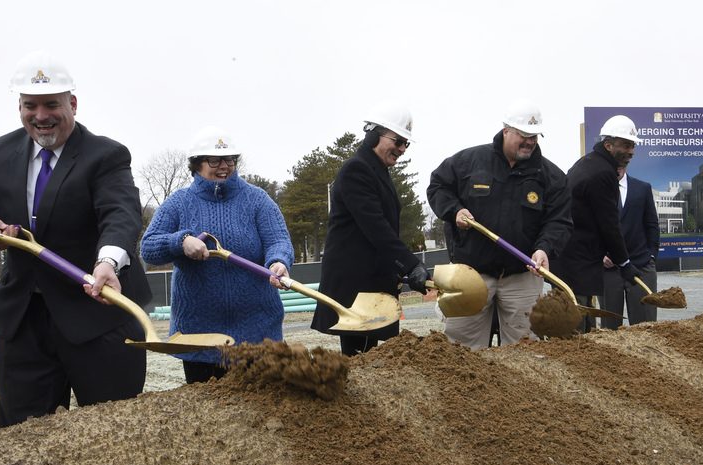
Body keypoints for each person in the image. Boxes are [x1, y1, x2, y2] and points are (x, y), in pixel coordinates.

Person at [0, 51, 152, 428]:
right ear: (19, 107)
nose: (41, 116)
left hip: (98, 315)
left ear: (72, 104)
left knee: (115, 433)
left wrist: (108, 261)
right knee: (22, 435)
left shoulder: (106, 155)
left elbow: (121, 214)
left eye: (52, 104)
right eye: (30, 105)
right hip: (24, 322)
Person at [140, 126, 294, 383]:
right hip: (199, 337)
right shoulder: (178, 203)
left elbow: (278, 239)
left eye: (230, 159)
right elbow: (148, 248)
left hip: (257, 333)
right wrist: (181, 241)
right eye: (214, 160)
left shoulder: (258, 200)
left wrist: (278, 261)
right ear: (197, 164)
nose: (224, 166)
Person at [427, 99, 572, 349]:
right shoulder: (468, 161)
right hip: (472, 275)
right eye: (523, 135)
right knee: (462, 349)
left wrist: (544, 248)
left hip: (522, 277)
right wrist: (455, 210)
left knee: (525, 348)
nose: (529, 142)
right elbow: (438, 186)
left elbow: (559, 220)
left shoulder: (551, 176)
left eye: (534, 136)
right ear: (506, 130)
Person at [310, 101, 429, 356]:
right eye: (397, 141)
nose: (401, 149)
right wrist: (411, 264)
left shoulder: (378, 170)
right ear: (375, 134)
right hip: (356, 286)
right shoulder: (358, 170)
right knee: (359, 359)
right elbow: (376, 228)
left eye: (406, 143)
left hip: (372, 282)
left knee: (370, 359)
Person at [550, 115, 644, 332]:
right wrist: (624, 263)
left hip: (570, 260)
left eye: (633, 146)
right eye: (626, 145)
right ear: (608, 145)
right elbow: (609, 223)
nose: (631, 152)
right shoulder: (602, 173)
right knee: (575, 324)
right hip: (576, 263)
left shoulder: (589, 163)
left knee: (578, 319)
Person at [600, 165, 660, 328]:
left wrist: (652, 256)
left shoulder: (642, 188)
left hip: (640, 267)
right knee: (609, 328)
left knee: (645, 327)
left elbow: (652, 225)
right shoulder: (595, 190)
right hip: (608, 269)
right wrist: (599, 255)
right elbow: (588, 227)